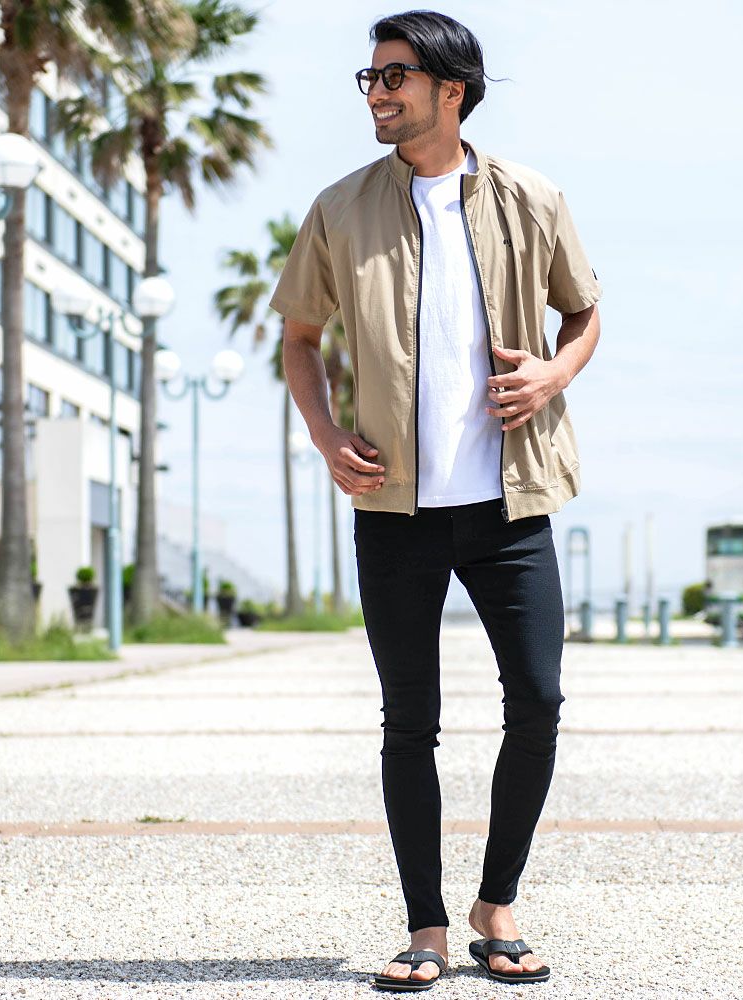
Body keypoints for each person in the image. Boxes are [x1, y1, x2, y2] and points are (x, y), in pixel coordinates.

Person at [272, 10, 601, 991]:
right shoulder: (341, 207)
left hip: (511, 504)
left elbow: (583, 312)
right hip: (394, 511)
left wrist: (552, 375)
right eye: (370, 78)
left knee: (537, 700)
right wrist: (326, 436)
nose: (376, 92)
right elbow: (298, 337)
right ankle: (424, 926)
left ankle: (497, 905)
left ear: (450, 90)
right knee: (408, 720)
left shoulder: (532, 197)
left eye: (394, 77)